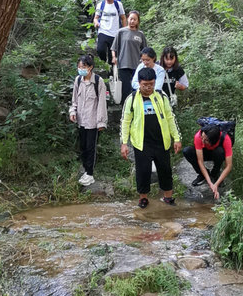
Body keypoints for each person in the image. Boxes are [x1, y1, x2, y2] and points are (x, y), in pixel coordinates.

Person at [120, 67, 182, 207]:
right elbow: (125, 121)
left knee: (165, 170)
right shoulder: (132, 99)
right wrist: (124, 143)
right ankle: (143, 198)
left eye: (151, 84)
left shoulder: (161, 96)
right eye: (145, 85)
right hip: (141, 142)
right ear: (139, 83)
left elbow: (170, 117)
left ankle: (168, 197)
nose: (148, 88)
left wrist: (176, 138)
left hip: (161, 141)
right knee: (143, 172)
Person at [69, 53, 107, 186]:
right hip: (81, 120)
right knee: (83, 146)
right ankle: (85, 169)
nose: (81, 69)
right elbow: (74, 99)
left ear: (90, 67)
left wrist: (101, 122)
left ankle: (90, 174)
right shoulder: (78, 80)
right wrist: (72, 111)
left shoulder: (98, 81)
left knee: (91, 147)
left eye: (83, 66)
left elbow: (102, 103)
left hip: (93, 121)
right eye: (79, 66)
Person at [182, 123, 233, 201]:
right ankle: (202, 175)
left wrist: (216, 184)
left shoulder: (226, 139)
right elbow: (200, 161)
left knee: (219, 152)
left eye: (206, 140)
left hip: (216, 153)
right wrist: (209, 182)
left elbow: (229, 166)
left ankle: (215, 173)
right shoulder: (199, 136)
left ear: (213, 141)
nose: (202, 141)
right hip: (203, 153)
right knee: (187, 151)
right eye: (202, 137)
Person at [111, 12, 147, 102]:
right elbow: (114, 47)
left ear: (138, 21)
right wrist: (114, 57)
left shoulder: (140, 34)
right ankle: (125, 109)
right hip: (123, 64)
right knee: (126, 89)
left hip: (137, 65)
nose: (132, 21)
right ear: (127, 19)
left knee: (136, 88)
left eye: (134, 19)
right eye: (130, 19)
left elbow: (145, 50)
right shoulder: (121, 32)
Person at [93, 0, 126, 64]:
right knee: (100, 50)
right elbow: (96, 18)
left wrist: (124, 30)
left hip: (115, 33)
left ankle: (110, 71)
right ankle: (104, 63)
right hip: (103, 31)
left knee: (113, 55)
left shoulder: (118, 4)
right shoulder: (101, 5)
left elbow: (123, 18)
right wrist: (96, 23)